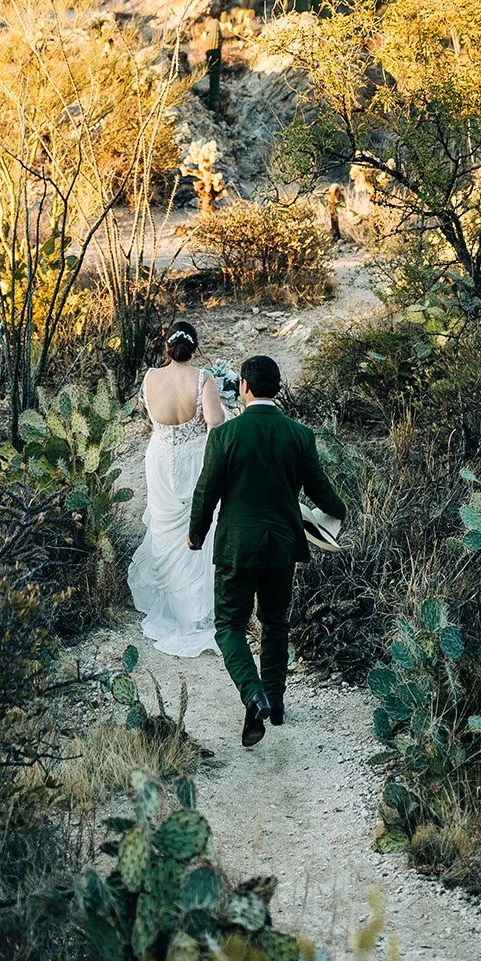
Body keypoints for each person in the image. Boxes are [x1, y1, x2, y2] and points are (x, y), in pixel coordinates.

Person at [188, 353, 346, 747]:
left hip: (236, 546)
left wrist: (196, 533)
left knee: (229, 626)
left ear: (244, 387)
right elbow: (321, 492)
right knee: (275, 623)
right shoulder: (299, 435)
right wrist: (338, 512)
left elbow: (207, 492)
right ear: (275, 388)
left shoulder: (225, 436)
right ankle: (274, 703)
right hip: (281, 546)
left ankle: (253, 693)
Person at [126, 320, 226, 657]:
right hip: (193, 459)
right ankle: (196, 611)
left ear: (166, 348)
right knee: (198, 530)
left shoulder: (150, 378)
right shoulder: (202, 379)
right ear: (194, 348)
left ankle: (172, 603)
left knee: (166, 532)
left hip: (159, 459)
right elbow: (215, 422)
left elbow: (149, 414)